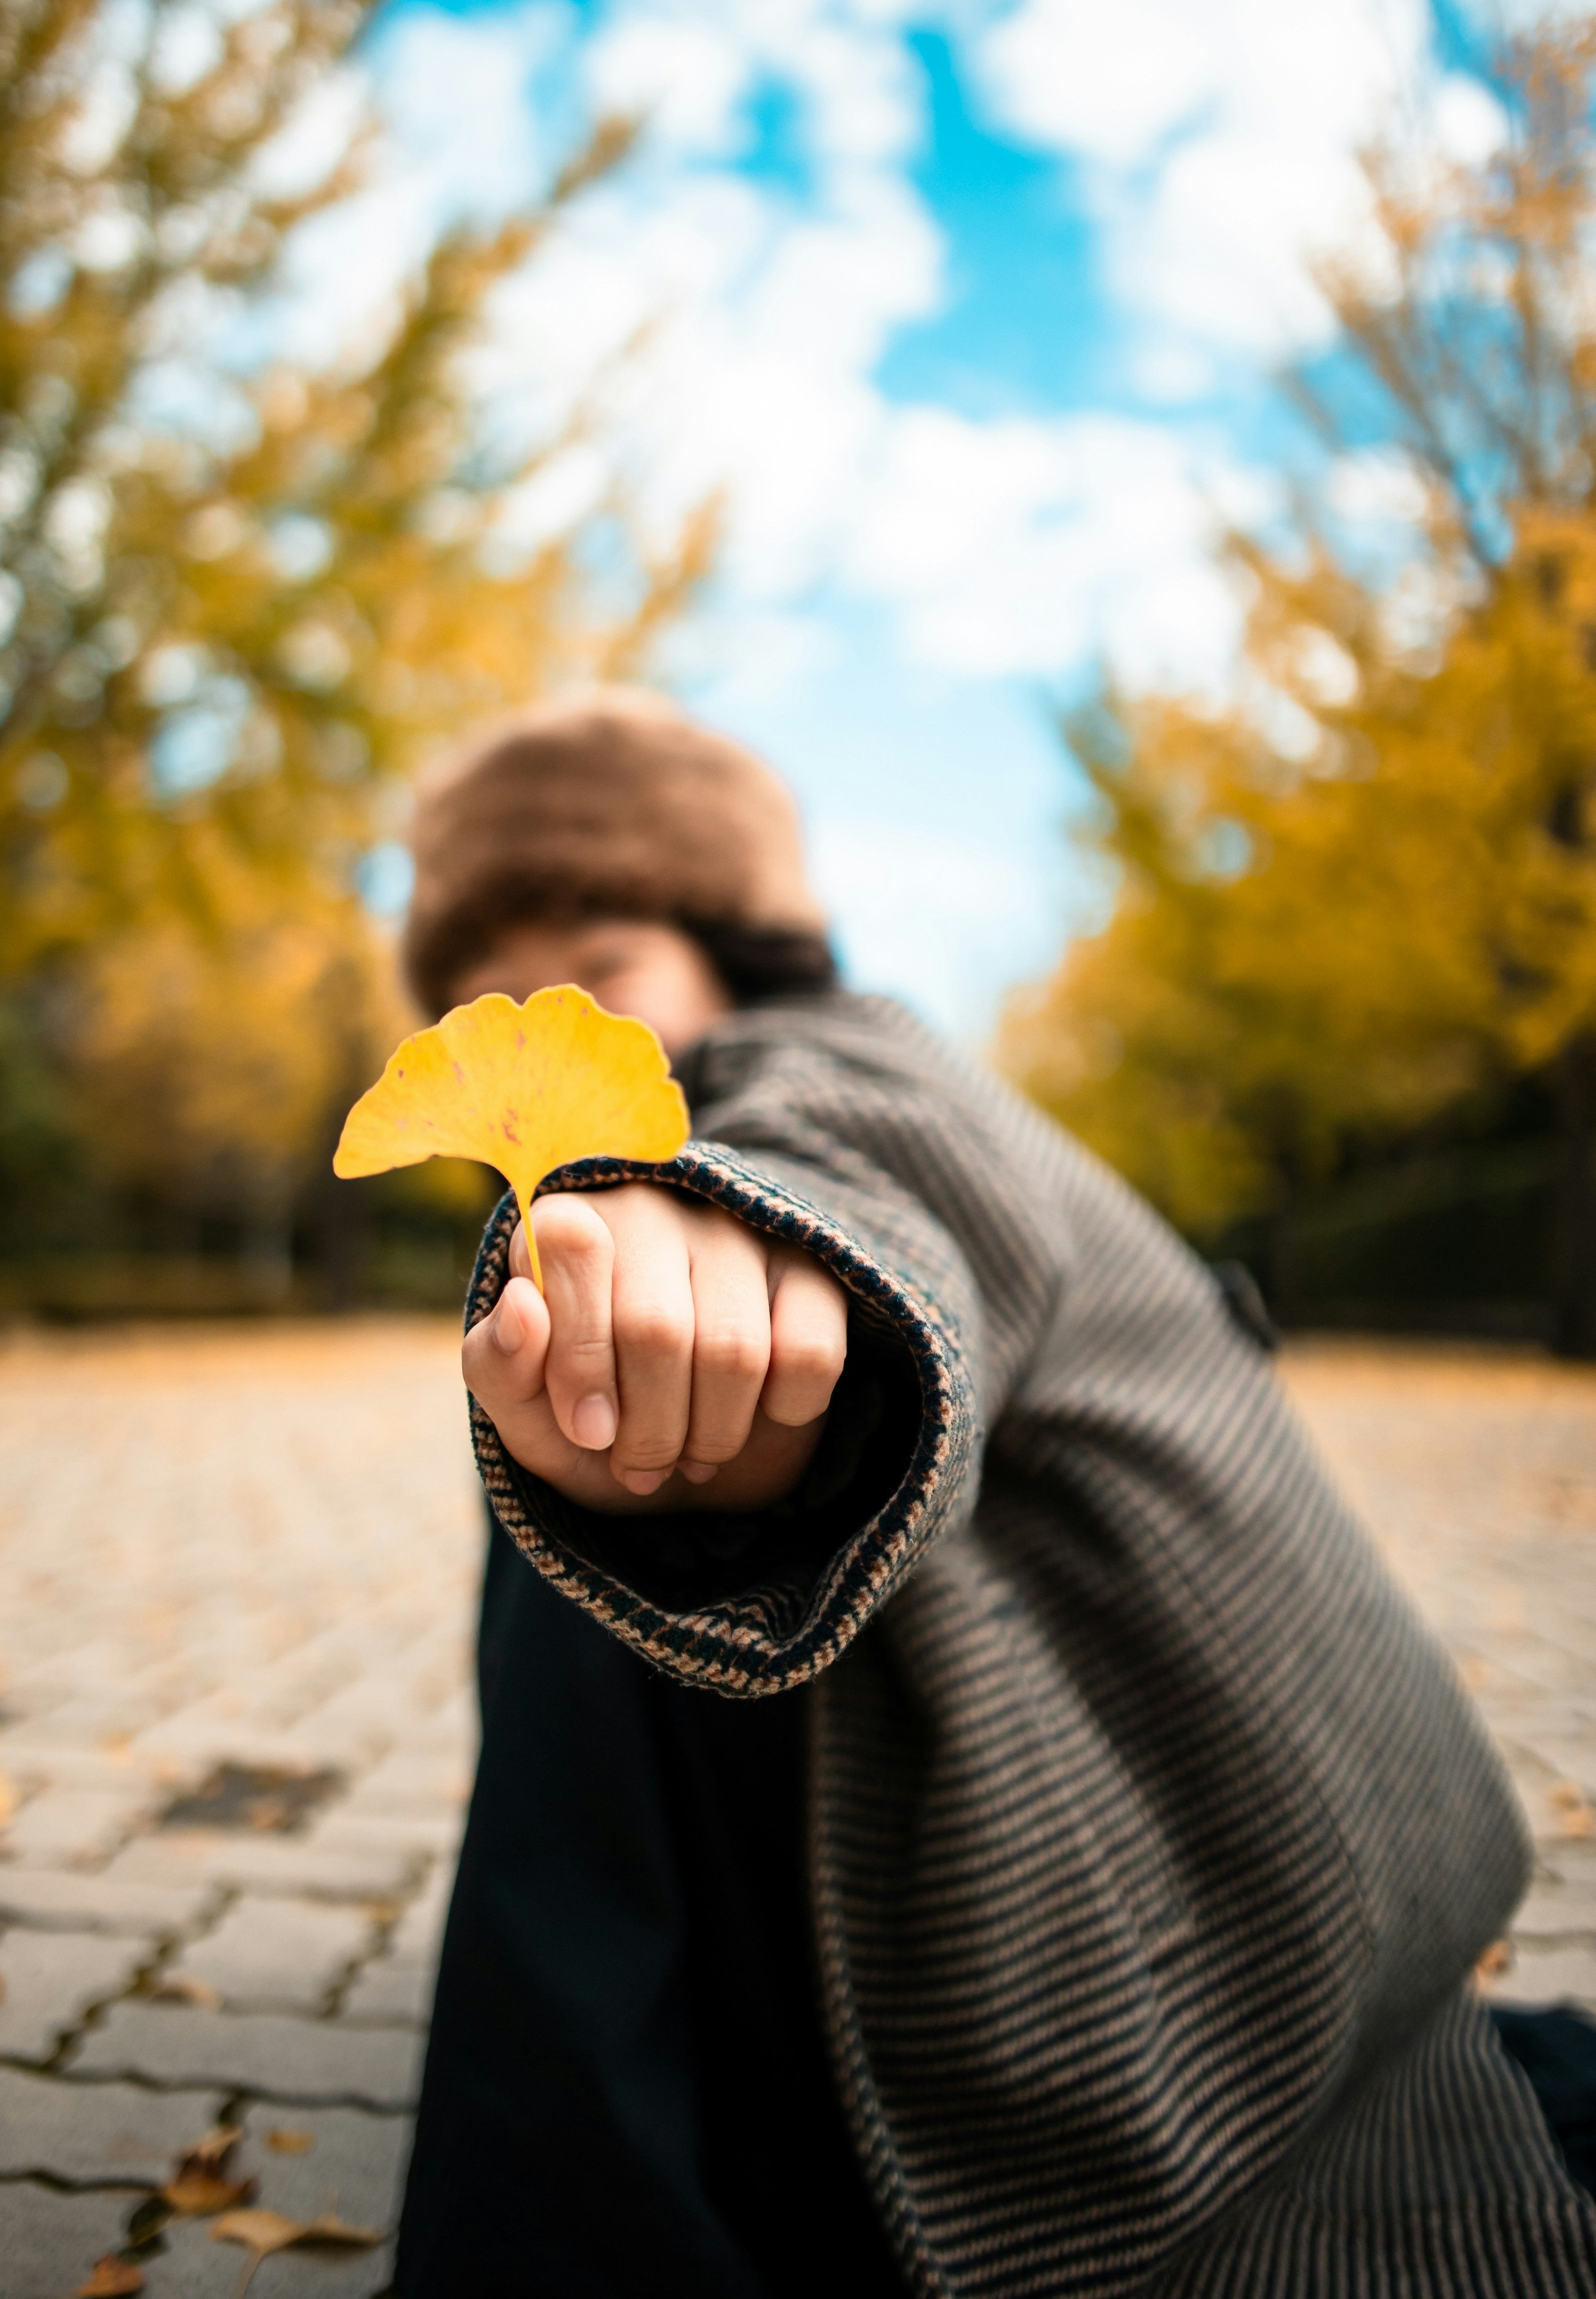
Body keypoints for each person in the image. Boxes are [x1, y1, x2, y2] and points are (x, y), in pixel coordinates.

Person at [390, 689, 1596, 2299]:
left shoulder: (841, 1070)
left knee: (580, 1456)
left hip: (1191, 2009)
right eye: (491, 1014)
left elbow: (858, 1183)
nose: (548, 1036)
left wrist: (746, 1274)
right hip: (1294, 1940)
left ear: (736, 952)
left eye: (599, 972)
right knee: (561, 1418)